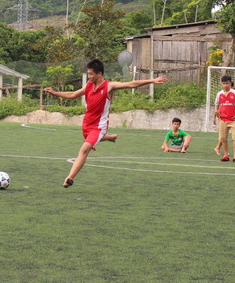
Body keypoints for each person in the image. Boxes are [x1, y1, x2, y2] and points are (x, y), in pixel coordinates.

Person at [44, 58, 167, 187]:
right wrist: (55, 93)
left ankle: (70, 178)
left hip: (99, 126)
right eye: (89, 73)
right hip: (86, 124)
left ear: (99, 73)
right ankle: (109, 137)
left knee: (85, 149)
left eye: (91, 74)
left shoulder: (109, 86)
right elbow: (73, 94)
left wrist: (152, 80)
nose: (89, 76)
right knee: (91, 140)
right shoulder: (89, 86)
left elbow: (132, 84)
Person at [213, 75, 235, 162]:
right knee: (223, 138)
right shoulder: (219, 94)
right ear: (221, 84)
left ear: (230, 83)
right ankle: (226, 155)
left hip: (233, 120)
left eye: (227, 83)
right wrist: (216, 111)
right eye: (223, 83)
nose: (225, 85)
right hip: (223, 120)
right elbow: (216, 104)